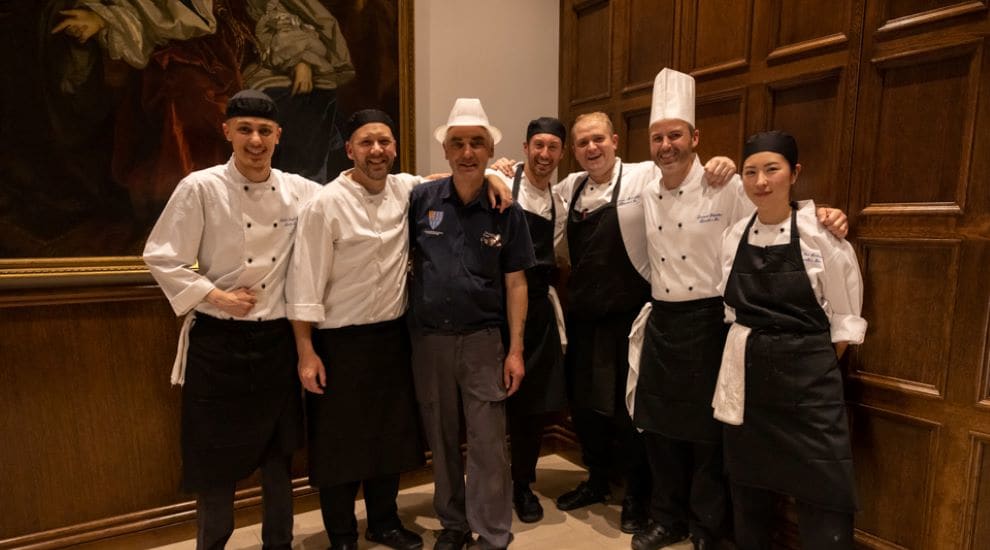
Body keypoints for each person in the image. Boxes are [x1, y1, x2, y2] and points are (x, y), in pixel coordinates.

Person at [626, 69, 850, 550]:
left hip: (712, 318)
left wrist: (824, 215)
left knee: (710, 435)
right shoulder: (643, 187)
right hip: (664, 316)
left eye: (675, 135)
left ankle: (706, 527)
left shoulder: (726, 183)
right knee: (659, 428)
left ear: (695, 138)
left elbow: (768, 225)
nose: (666, 145)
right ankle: (667, 518)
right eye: (657, 137)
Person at [542, 112, 736, 535]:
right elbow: (532, 190)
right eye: (582, 143)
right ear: (574, 151)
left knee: (627, 411)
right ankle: (596, 479)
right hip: (584, 316)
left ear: (615, 140)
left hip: (628, 314)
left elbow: (688, 172)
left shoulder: (644, 174)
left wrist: (722, 162)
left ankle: (635, 495)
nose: (591, 148)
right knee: (585, 408)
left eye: (598, 139)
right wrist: (501, 172)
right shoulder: (570, 187)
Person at [143, 89, 319, 550]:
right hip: (218, 345)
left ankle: (279, 544)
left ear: (278, 136)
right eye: (245, 130)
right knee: (213, 463)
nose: (255, 140)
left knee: (279, 460)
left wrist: (459, 178)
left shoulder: (300, 190)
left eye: (264, 131)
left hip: (276, 343)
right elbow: (161, 256)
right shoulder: (200, 188)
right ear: (227, 132)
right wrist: (216, 295)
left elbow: (355, 190)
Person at [713, 131, 866, 549]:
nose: (760, 181)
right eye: (750, 172)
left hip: (810, 382)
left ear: (794, 174)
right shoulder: (733, 236)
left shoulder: (821, 234)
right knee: (749, 486)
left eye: (772, 170)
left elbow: (845, 320)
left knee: (824, 487)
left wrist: (805, 361)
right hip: (750, 381)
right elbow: (731, 308)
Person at [285, 110, 424, 550]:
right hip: (338, 343)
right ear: (349, 150)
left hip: (392, 338)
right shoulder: (324, 204)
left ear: (395, 147)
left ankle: (384, 522)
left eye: (384, 141)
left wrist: (496, 177)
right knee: (338, 445)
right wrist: (306, 351)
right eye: (366, 143)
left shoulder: (407, 189)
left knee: (389, 437)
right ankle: (342, 534)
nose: (377, 151)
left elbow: (453, 179)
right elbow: (304, 283)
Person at [407, 98, 535, 550]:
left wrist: (515, 350)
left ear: (489, 150)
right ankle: (453, 524)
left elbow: (517, 283)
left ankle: (493, 532)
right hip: (430, 341)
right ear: (445, 150)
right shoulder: (421, 200)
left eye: (476, 143)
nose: (467, 152)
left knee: (488, 443)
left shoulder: (507, 210)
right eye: (457, 143)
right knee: (440, 439)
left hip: (484, 341)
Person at [489, 117, 570, 524]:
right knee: (490, 404)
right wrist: (493, 172)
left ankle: (522, 483)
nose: (544, 154)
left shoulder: (561, 202)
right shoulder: (499, 179)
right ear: (525, 148)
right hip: (493, 305)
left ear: (561, 153)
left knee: (532, 407)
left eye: (553, 147)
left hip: (536, 309)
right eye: (538, 145)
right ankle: (489, 486)